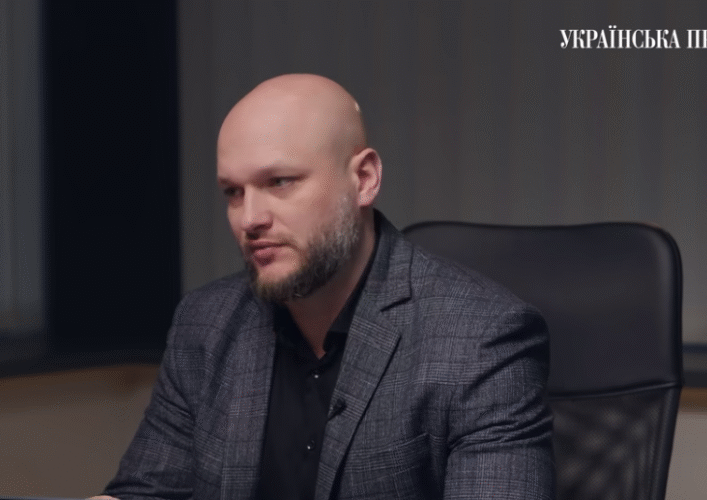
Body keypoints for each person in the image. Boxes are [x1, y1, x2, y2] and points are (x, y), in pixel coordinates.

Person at [94, 74, 554, 500]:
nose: (250, 218)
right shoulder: (206, 322)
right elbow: (147, 492)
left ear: (364, 180)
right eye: (233, 192)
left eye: (280, 182)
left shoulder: (480, 337)